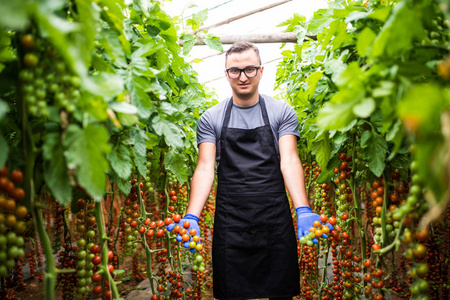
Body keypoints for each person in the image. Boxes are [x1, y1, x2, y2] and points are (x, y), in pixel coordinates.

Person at [171, 42, 332, 300]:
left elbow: (289, 160)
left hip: (274, 218)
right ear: (226, 74)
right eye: (234, 70)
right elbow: (204, 168)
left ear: (261, 71)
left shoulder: (282, 112)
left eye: (249, 69)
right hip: (230, 219)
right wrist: (192, 215)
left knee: (281, 291)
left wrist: (302, 208)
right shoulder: (211, 118)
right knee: (232, 292)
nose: (243, 76)